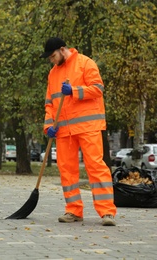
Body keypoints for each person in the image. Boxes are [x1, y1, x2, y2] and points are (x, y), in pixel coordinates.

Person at [40, 37, 117, 226]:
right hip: (63, 130)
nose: (52, 60)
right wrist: (48, 126)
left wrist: (75, 90)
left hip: (88, 126)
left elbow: (98, 89)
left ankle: (107, 212)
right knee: (67, 170)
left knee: (96, 167)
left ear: (62, 49)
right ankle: (73, 210)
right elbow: (49, 103)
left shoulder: (85, 63)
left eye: (53, 56)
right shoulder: (53, 74)